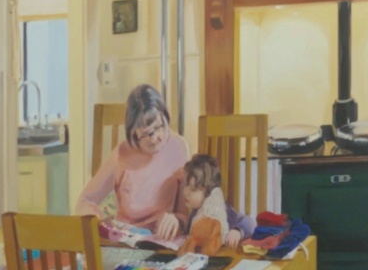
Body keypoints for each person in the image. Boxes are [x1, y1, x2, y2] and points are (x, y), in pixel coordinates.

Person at [75, 84, 189, 240]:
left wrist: (176, 220)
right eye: (147, 134)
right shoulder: (121, 155)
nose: (156, 137)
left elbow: (185, 212)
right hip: (125, 242)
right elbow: (85, 201)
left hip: (162, 243)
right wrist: (102, 225)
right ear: (133, 133)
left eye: (160, 126)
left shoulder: (179, 147)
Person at [176, 154, 256, 255]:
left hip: (224, 256)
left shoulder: (222, 209)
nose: (185, 192)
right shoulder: (196, 211)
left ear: (209, 192)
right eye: (185, 185)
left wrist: (237, 231)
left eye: (193, 189)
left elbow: (249, 221)